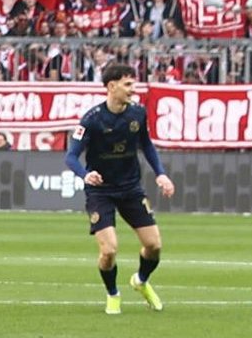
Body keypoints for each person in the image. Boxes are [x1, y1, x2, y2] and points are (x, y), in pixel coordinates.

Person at [69, 68, 174, 315]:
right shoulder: (91, 119)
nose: (132, 89)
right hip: (100, 191)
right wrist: (86, 175)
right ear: (111, 86)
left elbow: (146, 144)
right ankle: (113, 294)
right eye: (127, 84)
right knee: (109, 251)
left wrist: (160, 173)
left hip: (130, 188)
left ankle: (141, 281)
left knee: (154, 245)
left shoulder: (137, 113)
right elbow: (71, 156)